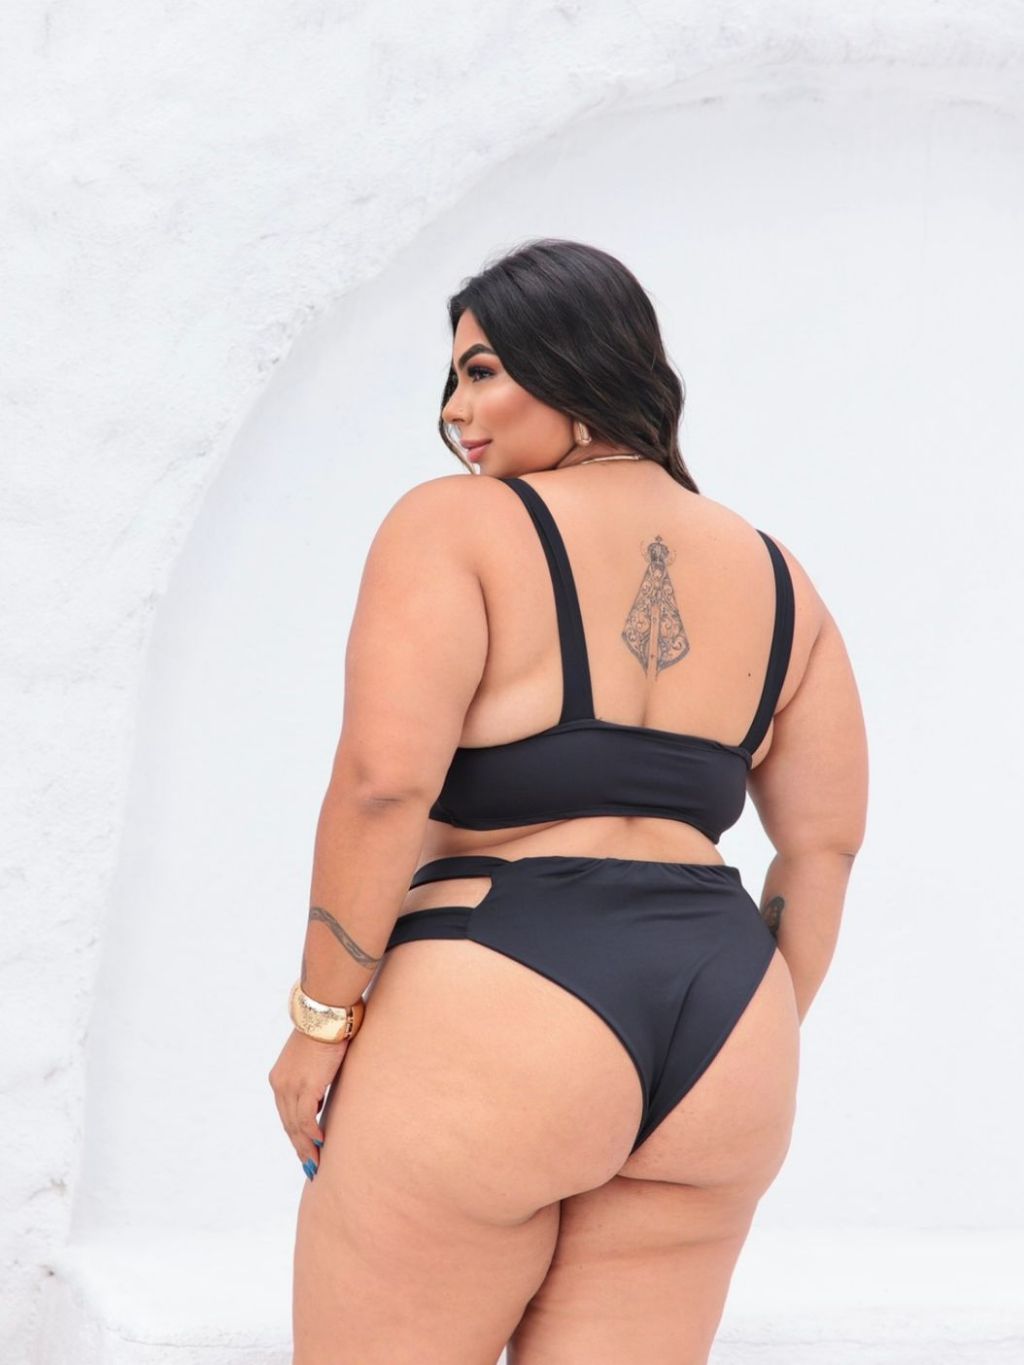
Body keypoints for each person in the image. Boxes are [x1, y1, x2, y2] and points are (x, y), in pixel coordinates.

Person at [269, 238, 868, 1364]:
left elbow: (384, 784)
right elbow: (823, 847)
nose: (455, 411)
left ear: (578, 362)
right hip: (727, 1023)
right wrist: (747, 1040)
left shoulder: (456, 524)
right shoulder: (780, 576)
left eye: (482, 370)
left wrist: (320, 1021)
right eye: (452, 380)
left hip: (503, 988)